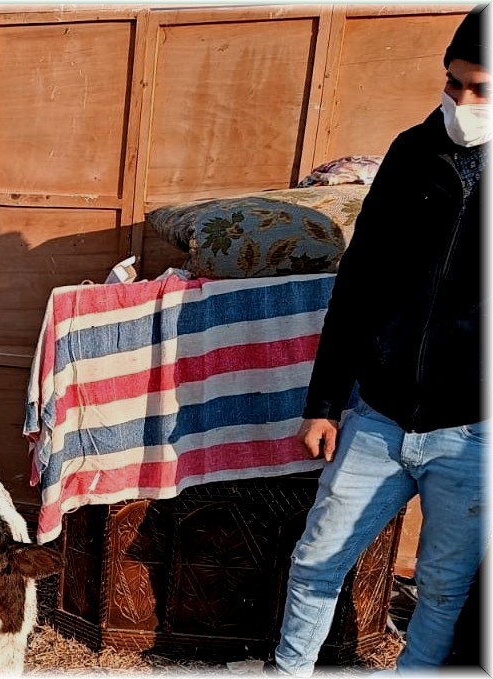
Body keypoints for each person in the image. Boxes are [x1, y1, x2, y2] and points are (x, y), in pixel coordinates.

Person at [271, 7, 487, 675]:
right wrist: (323, 403)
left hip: (473, 431)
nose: (461, 103)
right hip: (380, 414)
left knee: (443, 590)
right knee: (316, 561)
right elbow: (359, 283)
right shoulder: (413, 152)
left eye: (480, 89)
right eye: (452, 83)